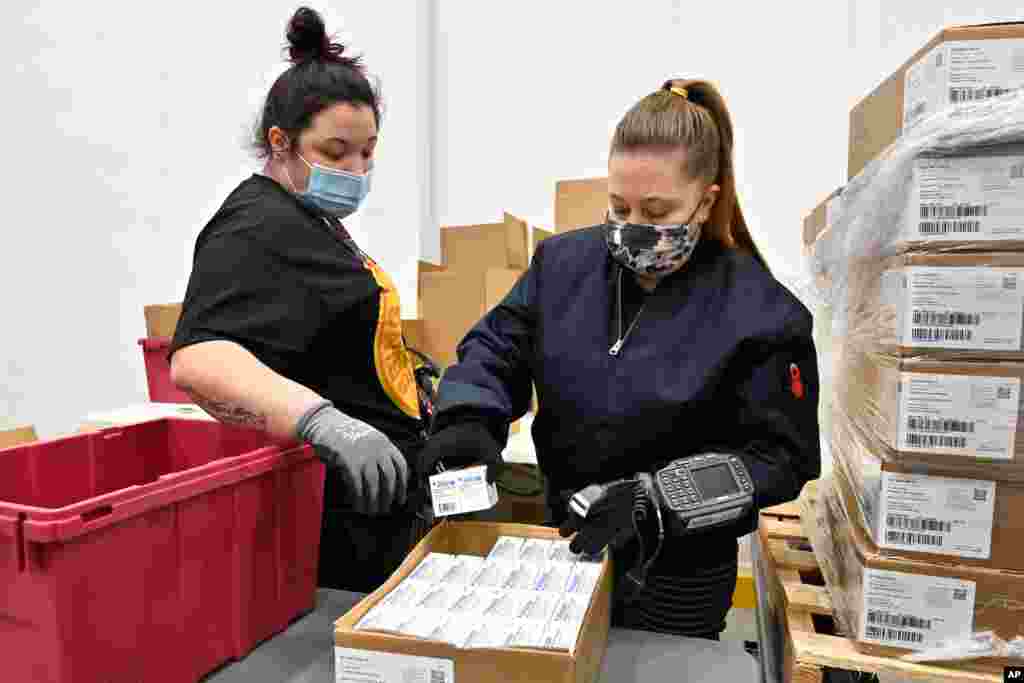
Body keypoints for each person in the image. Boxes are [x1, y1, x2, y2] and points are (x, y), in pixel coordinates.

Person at [419, 79, 821, 639]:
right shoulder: (563, 266)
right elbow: (499, 345)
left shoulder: (761, 312)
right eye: (619, 206)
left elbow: (780, 458)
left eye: (657, 210)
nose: (632, 226)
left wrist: (656, 499)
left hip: (675, 581)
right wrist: (467, 417)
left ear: (706, 200)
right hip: (567, 549)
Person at [168, 7, 430, 593]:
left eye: (368, 152)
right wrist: (325, 422)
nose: (357, 170)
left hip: (379, 502)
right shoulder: (254, 225)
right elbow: (199, 356)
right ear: (280, 143)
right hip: (332, 514)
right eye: (336, 152)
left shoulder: (312, 219)